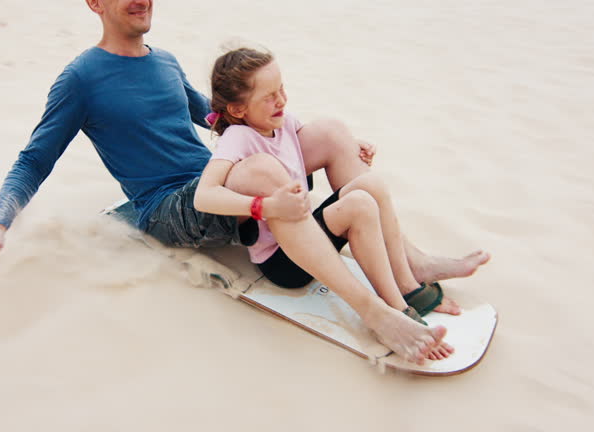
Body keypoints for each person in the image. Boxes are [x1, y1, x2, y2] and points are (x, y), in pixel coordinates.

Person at [0, 0, 490, 365]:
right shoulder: (80, 80)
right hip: (168, 206)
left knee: (329, 130)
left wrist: (321, 144)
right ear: (94, 1)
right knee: (260, 172)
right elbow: (34, 159)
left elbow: (218, 122)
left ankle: (409, 262)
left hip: (220, 183)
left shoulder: (163, 60)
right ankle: (375, 312)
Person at [195, 47, 467, 360]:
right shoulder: (238, 138)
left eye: (281, 89)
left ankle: (404, 286)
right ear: (239, 109)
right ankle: (395, 311)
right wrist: (264, 207)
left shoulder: (282, 122)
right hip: (283, 263)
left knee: (370, 185)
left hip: (310, 239)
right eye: (269, 96)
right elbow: (205, 195)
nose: (281, 100)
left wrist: (354, 148)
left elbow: (313, 141)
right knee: (359, 205)